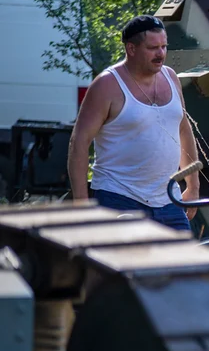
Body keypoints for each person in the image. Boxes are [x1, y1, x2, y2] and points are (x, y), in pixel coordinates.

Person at [67, 15, 200, 232]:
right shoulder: (107, 85)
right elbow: (79, 143)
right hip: (119, 199)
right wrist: (82, 205)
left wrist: (193, 185)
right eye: (153, 48)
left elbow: (184, 128)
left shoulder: (171, 77)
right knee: (127, 266)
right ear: (131, 48)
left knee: (183, 264)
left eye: (164, 46)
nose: (161, 54)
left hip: (168, 200)